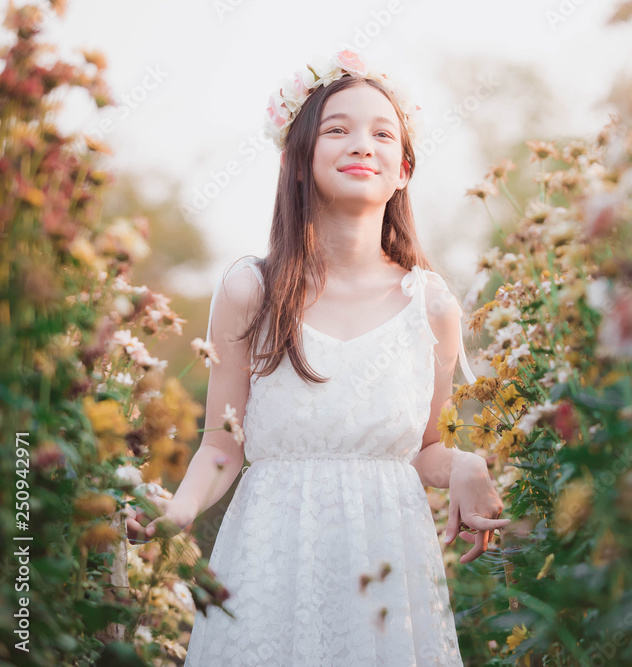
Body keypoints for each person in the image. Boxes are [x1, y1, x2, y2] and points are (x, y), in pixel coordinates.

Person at [124, 49, 510, 666]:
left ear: (404, 169)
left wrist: (464, 465)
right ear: (297, 162)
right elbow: (223, 446)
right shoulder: (251, 289)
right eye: (337, 129)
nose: (362, 143)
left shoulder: (431, 304)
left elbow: (426, 446)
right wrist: (177, 512)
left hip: (387, 565)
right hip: (270, 556)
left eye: (382, 133)